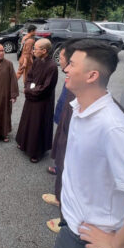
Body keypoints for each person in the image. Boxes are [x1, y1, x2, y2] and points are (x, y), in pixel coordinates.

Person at [43, 39, 124, 248]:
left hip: (81, 236)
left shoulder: (112, 127)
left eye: (72, 64)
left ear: (92, 76)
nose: (65, 68)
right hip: (72, 221)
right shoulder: (80, 107)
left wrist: (115, 245)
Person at [42, 39, 79, 233]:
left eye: (65, 60)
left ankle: (66, 220)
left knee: (70, 172)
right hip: (64, 130)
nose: (63, 66)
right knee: (61, 167)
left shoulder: (81, 88)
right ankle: (58, 198)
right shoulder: (71, 80)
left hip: (72, 137)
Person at [15, 38, 58, 163]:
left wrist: (29, 91)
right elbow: (29, 76)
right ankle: (24, 144)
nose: (33, 50)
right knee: (27, 121)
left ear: (44, 51)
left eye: (35, 48)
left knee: (37, 124)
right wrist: (27, 86)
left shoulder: (52, 67)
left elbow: (46, 88)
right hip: (31, 97)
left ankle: (36, 151)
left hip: (42, 101)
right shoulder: (37, 61)